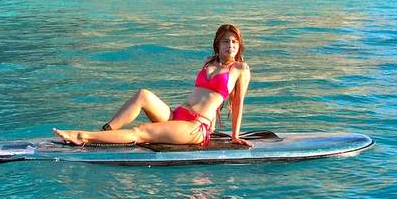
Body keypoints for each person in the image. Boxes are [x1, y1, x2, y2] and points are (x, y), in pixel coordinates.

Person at [52, 24, 253, 148]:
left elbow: (237, 104)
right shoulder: (209, 63)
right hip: (178, 115)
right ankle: (104, 132)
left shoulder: (240, 69)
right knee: (143, 95)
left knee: (142, 131)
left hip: (196, 128)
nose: (230, 45)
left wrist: (235, 136)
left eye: (234, 42)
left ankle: (83, 136)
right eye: (226, 41)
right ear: (218, 44)